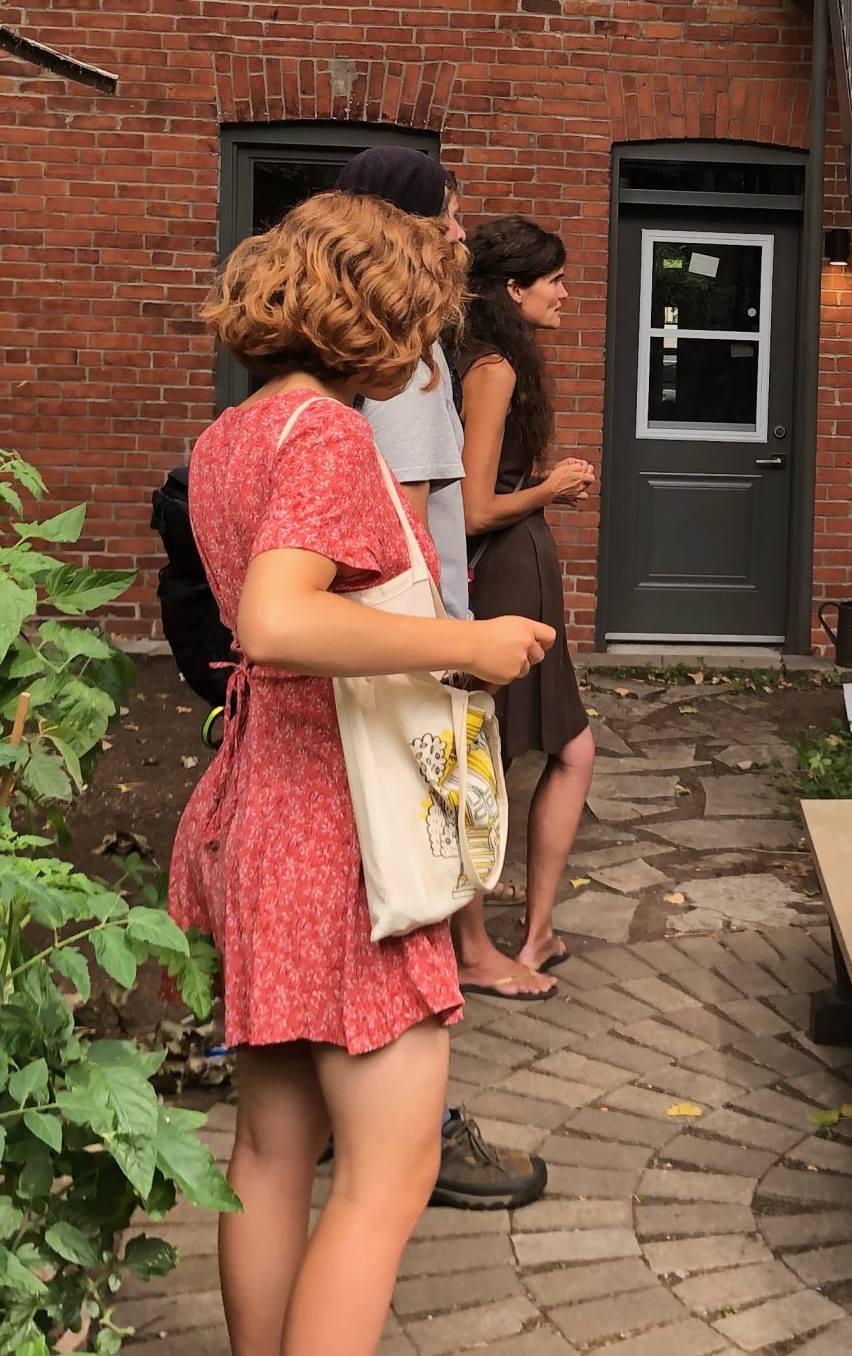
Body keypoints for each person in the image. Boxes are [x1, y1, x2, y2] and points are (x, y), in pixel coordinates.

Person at [169, 191, 557, 1352]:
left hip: (259, 812)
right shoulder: (333, 437)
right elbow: (279, 621)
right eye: (425, 317)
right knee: (390, 1175)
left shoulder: (229, 435)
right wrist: (469, 643)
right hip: (345, 833)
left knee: (273, 1153)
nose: (433, 344)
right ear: (382, 314)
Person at [334, 148, 555, 1007]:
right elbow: (406, 523)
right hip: (421, 625)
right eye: (449, 215)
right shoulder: (409, 358)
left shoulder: (354, 345)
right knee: (441, 795)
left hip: (413, 625)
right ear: (404, 223)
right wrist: (452, 641)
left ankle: (457, 950)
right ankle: (449, 964)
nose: (463, 232)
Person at [455, 216, 598, 977]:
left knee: (563, 746)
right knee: (494, 752)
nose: (566, 294)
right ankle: (479, 944)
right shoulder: (493, 369)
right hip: (505, 572)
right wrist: (551, 488)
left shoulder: (490, 359)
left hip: (522, 568)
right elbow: (475, 507)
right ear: (512, 289)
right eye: (554, 280)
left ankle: (535, 929)